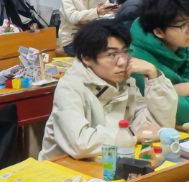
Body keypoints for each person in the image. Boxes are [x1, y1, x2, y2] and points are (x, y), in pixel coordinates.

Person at [40, 20, 178, 160]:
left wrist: (153, 75)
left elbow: (157, 127)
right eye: (112, 55)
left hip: (106, 161)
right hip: (62, 167)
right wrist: (133, 136)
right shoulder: (70, 87)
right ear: (86, 58)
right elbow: (81, 143)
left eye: (125, 52)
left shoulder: (126, 82)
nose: (122, 62)